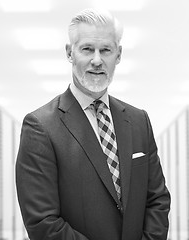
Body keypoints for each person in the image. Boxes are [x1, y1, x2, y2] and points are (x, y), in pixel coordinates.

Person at [15, 8, 171, 240]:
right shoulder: (41, 126)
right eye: (87, 49)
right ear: (70, 53)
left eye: (105, 50)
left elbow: (157, 199)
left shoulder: (139, 121)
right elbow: (42, 222)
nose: (97, 60)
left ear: (118, 55)